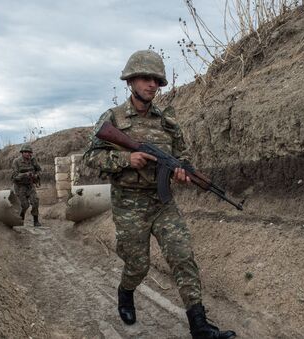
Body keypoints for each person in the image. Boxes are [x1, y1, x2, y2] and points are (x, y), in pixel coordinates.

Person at [83, 50, 235, 339]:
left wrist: (181, 172)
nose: (152, 84)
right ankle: (126, 292)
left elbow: (183, 155)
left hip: (162, 203)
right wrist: (126, 160)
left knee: (182, 256)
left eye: (156, 79)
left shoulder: (168, 121)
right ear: (131, 81)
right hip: (128, 204)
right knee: (138, 265)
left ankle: (199, 326)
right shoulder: (112, 118)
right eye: (145, 78)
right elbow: (91, 158)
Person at [11, 143, 42, 227]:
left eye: (30, 152)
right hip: (20, 186)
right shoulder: (16, 161)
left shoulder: (33, 161)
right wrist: (25, 174)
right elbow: (15, 176)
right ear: (22, 152)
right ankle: (21, 221)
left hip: (30, 185)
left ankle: (36, 221)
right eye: (27, 152)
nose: (29, 154)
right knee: (24, 205)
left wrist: (36, 175)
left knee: (35, 201)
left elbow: (39, 170)